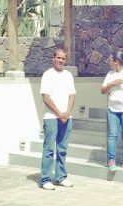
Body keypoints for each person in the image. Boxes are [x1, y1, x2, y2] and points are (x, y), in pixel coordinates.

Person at [39, 47, 76, 190]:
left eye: (63, 58)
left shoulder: (68, 75)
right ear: (53, 58)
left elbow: (72, 95)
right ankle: (45, 179)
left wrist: (67, 112)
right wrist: (59, 113)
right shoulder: (47, 75)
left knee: (62, 149)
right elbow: (45, 97)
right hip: (51, 118)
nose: (61, 60)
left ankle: (61, 177)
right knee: (49, 149)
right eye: (58, 58)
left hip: (66, 118)